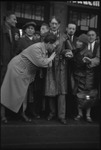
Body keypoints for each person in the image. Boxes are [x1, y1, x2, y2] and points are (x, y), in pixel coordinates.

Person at [1, 33, 57, 123]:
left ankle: (21, 114)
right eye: (54, 44)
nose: (55, 46)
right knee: (8, 91)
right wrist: (50, 58)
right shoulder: (37, 47)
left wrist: (48, 60)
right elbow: (41, 63)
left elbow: (47, 65)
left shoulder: (44, 50)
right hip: (17, 68)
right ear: (49, 43)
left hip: (24, 71)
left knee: (22, 94)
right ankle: (3, 115)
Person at [68, 34, 100, 123]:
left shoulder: (88, 53)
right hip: (77, 78)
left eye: (79, 41)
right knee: (78, 97)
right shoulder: (76, 51)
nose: (77, 42)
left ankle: (88, 115)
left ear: (84, 44)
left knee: (88, 97)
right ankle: (80, 114)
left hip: (85, 79)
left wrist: (89, 82)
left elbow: (90, 69)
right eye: (77, 40)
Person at [44, 16, 69, 124]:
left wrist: (66, 53)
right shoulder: (44, 36)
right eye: (52, 23)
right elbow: (43, 49)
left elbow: (67, 49)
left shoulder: (64, 36)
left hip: (61, 65)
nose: (54, 25)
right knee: (51, 89)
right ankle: (52, 112)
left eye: (56, 24)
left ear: (59, 25)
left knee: (62, 91)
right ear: (50, 24)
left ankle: (61, 115)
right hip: (50, 64)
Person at [1, 11, 18, 123]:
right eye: (14, 19)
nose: (16, 21)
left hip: (8, 65)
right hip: (2, 64)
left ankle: (4, 114)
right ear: (7, 19)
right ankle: (2, 115)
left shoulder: (14, 31)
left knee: (5, 90)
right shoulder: (1, 30)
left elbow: (14, 50)